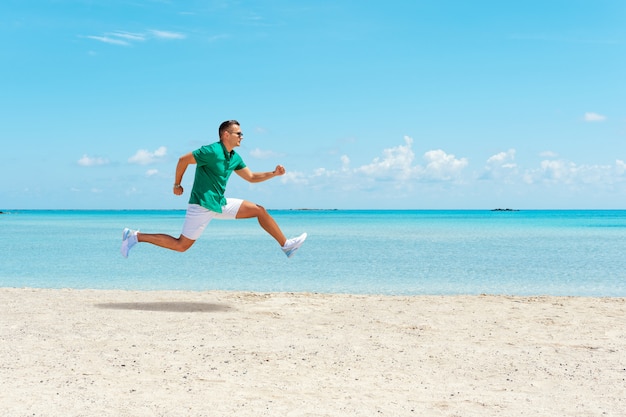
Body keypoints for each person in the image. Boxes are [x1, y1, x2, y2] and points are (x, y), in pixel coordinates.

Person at [121, 120, 307, 258]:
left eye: (241, 134)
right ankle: (135, 236)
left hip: (219, 203)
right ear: (226, 134)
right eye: (238, 134)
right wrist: (177, 184)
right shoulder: (211, 151)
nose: (241, 137)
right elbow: (183, 160)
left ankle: (286, 245)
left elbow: (251, 177)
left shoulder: (234, 157)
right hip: (201, 205)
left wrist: (273, 173)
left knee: (259, 210)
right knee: (181, 245)